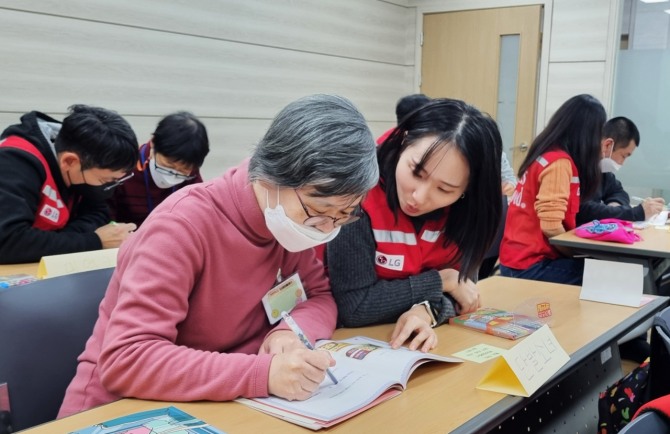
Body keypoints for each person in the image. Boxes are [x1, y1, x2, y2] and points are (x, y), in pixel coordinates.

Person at [58, 94, 379, 417]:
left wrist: (290, 329)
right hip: (120, 411)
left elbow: (322, 296)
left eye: (344, 216)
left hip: (217, 403)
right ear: (274, 175)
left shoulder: (286, 224)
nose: (325, 229)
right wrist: (262, 374)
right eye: (319, 211)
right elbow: (129, 360)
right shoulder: (182, 226)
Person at [326, 98, 503, 353]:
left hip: (412, 348)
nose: (418, 197)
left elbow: (464, 295)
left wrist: (426, 310)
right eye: (416, 172)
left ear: (467, 190)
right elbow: (355, 305)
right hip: (351, 342)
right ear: (403, 142)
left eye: (445, 189)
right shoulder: (358, 197)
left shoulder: (465, 214)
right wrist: (442, 281)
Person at [0, 105, 139, 264]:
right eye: (104, 181)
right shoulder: (14, 163)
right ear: (69, 161)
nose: (108, 186)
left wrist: (63, 240)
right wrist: (94, 241)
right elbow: (8, 242)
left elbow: (99, 212)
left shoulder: (86, 159)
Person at [499, 94, 607, 285]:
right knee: (604, 277)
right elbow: (550, 226)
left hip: (517, 259)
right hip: (529, 265)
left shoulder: (545, 153)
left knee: (599, 270)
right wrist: (576, 252)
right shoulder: (558, 163)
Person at [108, 111, 210, 226]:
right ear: (153, 143)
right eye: (168, 165)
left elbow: (198, 212)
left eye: (181, 171)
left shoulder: (190, 172)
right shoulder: (123, 168)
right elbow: (105, 218)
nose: (172, 176)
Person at [576, 116, 665, 225]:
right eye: (624, 156)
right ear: (608, 145)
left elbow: (619, 192)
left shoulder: (601, 170)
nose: (622, 163)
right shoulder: (577, 166)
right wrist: (637, 212)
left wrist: (615, 205)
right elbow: (583, 210)